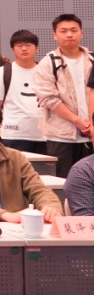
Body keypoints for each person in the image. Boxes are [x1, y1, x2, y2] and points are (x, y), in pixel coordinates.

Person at [33, 13, 93, 177]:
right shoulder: (48, 63)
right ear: (55, 35)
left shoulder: (92, 60)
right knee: (64, 182)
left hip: (92, 135)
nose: (69, 34)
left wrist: (90, 124)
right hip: (61, 137)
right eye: (63, 31)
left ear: (82, 33)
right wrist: (78, 122)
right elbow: (48, 99)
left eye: (74, 30)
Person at [0, 29, 45, 154]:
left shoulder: (46, 71)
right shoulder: (3, 72)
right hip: (13, 134)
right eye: (19, 46)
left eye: (28, 45)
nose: (24, 49)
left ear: (36, 48)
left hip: (44, 134)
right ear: (13, 49)